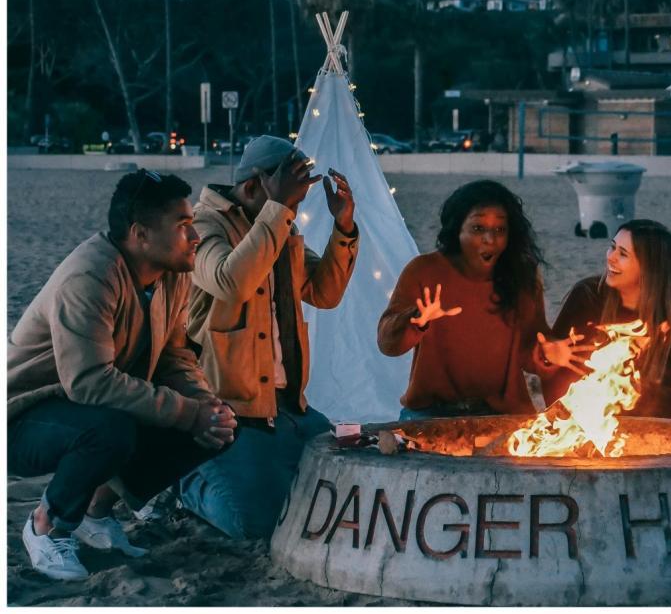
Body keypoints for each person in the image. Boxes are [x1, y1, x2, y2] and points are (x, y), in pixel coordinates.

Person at [7, 170, 236, 581]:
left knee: (219, 424)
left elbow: (174, 357)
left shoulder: (171, 274)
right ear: (140, 234)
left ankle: (95, 513)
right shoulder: (90, 277)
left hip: (88, 407)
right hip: (25, 418)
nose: (195, 236)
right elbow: (89, 382)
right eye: (183, 225)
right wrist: (188, 414)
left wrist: (204, 404)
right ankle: (46, 524)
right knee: (110, 430)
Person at [179, 135, 359, 540]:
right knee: (256, 523)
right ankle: (182, 482)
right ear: (252, 187)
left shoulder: (279, 226)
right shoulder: (203, 225)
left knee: (346, 484)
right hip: (226, 407)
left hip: (285, 403)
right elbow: (230, 281)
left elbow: (325, 293)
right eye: (289, 197)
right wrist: (278, 210)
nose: (294, 209)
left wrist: (344, 226)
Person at [378, 179, 557, 418]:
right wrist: (416, 321)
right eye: (478, 228)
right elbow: (387, 345)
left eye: (500, 230)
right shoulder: (424, 270)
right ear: (457, 230)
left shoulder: (522, 276)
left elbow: (531, 351)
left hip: (502, 415)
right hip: (432, 413)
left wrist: (549, 354)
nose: (490, 239)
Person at [541, 219, 671, 419]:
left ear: (649, 267)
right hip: (582, 424)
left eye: (623, 254)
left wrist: (642, 397)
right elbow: (554, 371)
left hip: (647, 428)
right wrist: (548, 359)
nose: (611, 257)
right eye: (612, 247)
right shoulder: (588, 297)